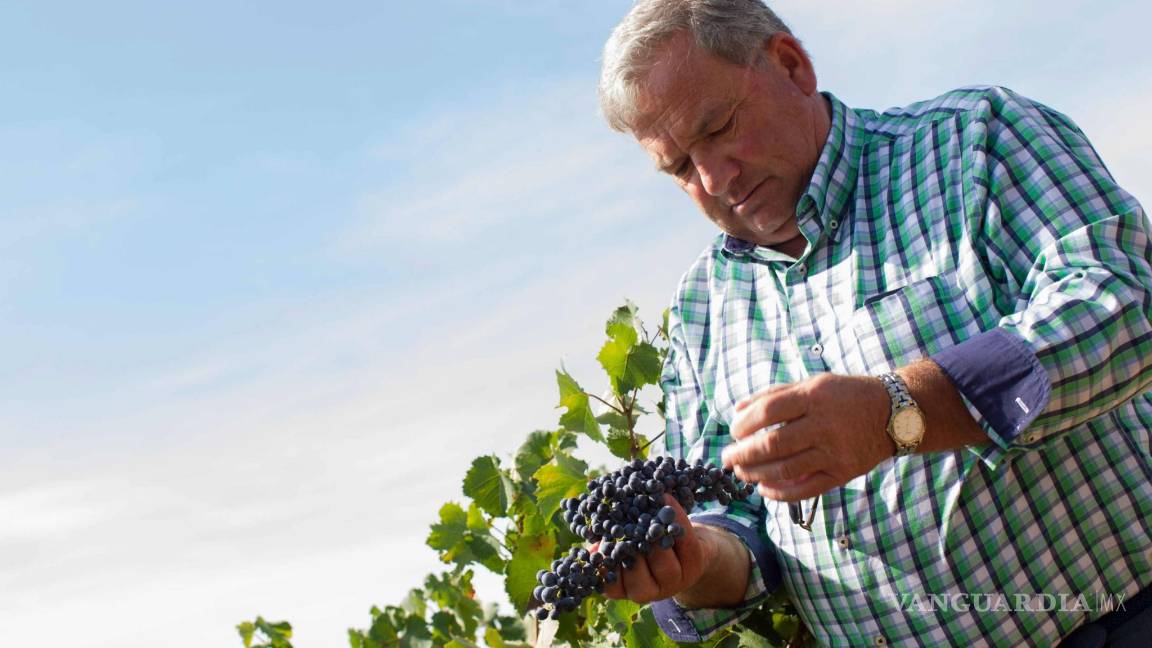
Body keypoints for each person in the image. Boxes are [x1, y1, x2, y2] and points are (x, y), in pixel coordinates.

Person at [595, 1, 1152, 645]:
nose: (714, 178)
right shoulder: (701, 311)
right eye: (681, 168)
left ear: (791, 64)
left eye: (718, 127)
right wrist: (696, 561)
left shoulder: (974, 141)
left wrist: (899, 413)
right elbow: (734, 519)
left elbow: (1124, 297)